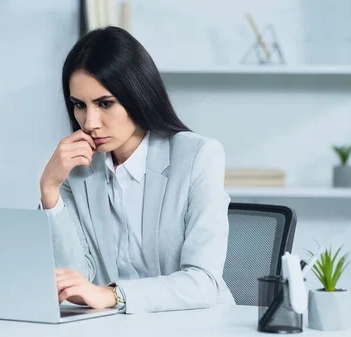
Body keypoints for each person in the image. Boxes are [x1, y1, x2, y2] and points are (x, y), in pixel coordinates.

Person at [39, 26, 234, 314]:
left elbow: (203, 281)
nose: (90, 122)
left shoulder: (199, 157)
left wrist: (114, 295)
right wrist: (50, 190)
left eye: (105, 103)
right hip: (112, 327)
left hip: (194, 324)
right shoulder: (77, 170)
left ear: (137, 94)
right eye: (79, 105)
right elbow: (75, 282)